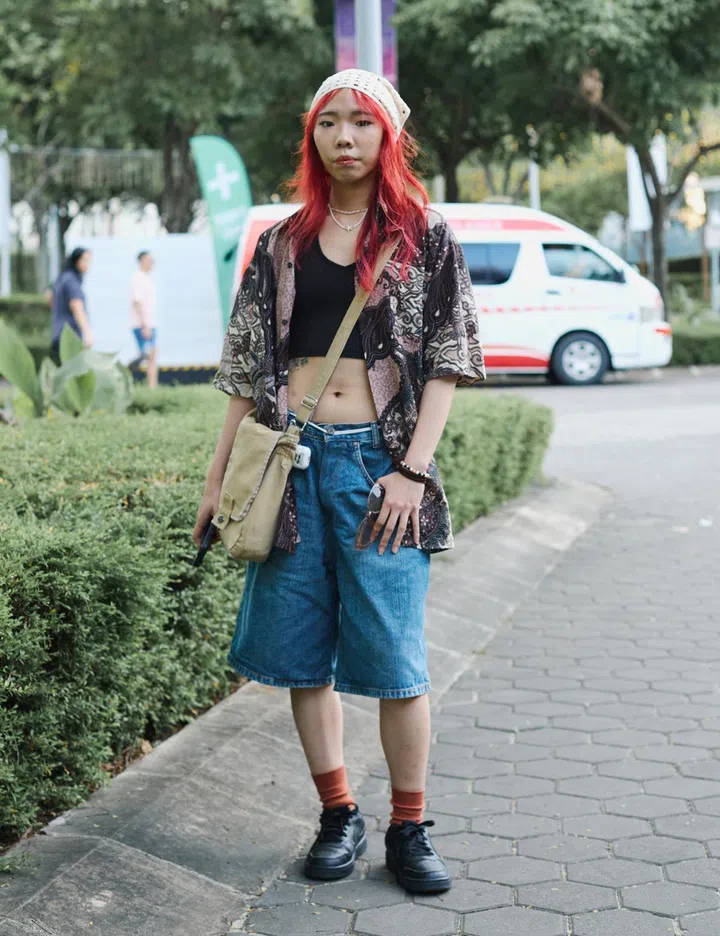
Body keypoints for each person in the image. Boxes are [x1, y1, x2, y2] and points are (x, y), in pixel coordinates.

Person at [193, 69, 485, 895]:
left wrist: (411, 472)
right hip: (290, 464)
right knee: (301, 658)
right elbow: (246, 370)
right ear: (312, 135)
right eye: (329, 123)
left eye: (361, 122)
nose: (344, 137)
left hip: (379, 467)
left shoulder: (424, 237)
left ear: (388, 135)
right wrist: (217, 482)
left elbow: (449, 362)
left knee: (395, 658)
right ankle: (338, 812)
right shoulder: (282, 243)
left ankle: (409, 826)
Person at [50, 247, 92, 359]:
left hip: (58, 334)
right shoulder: (72, 281)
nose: (88, 264)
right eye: (85, 260)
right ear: (76, 261)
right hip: (70, 338)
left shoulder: (62, 278)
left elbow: (50, 298)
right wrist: (87, 333)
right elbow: (76, 306)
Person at [130, 250, 158, 389]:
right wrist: (144, 325)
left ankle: (152, 386)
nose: (151, 263)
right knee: (149, 355)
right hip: (142, 325)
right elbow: (137, 302)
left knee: (151, 355)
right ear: (141, 261)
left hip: (150, 324)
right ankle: (149, 385)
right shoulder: (138, 278)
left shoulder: (147, 279)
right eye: (149, 260)